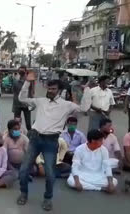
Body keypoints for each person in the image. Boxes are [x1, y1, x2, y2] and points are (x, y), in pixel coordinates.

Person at [17, 73, 87, 211]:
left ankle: (48, 198)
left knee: (50, 174)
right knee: (24, 170)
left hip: (51, 142)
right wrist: (27, 82)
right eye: (49, 88)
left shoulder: (67, 105)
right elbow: (22, 98)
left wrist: (87, 91)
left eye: (53, 89)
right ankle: (23, 193)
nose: (50, 91)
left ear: (59, 90)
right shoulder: (41, 101)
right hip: (35, 139)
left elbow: (84, 109)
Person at [12, 66, 32, 131]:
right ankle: (17, 136)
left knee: (28, 124)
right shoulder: (15, 81)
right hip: (17, 105)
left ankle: (29, 137)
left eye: (23, 71)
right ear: (18, 72)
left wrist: (31, 104)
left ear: (25, 71)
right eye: (20, 71)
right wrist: (13, 106)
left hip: (26, 105)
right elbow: (14, 94)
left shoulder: (29, 81)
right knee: (16, 124)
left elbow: (31, 93)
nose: (21, 72)